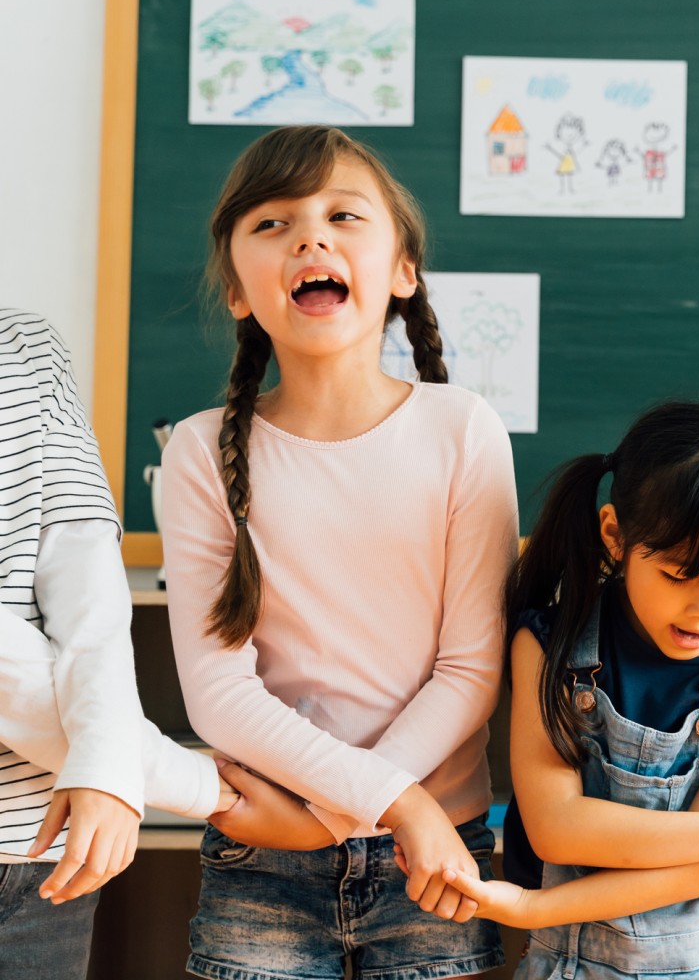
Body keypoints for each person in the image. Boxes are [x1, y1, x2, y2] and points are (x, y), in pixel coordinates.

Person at [160, 125, 518, 980]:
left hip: (430, 859)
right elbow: (217, 694)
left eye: (343, 216)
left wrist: (337, 817)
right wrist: (392, 803)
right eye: (273, 224)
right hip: (266, 868)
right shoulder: (200, 450)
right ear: (238, 288)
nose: (311, 238)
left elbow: (470, 669)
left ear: (403, 272)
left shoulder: (461, 429)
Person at [438, 401, 699, 979]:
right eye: (679, 575)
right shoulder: (550, 645)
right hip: (573, 961)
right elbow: (559, 829)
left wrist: (537, 907)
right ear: (615, 536)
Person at [0, 308, 235, 979]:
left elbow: (86, 574)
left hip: (41, 849)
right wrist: (194, 783)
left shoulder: (25, 344)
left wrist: (108, 764)